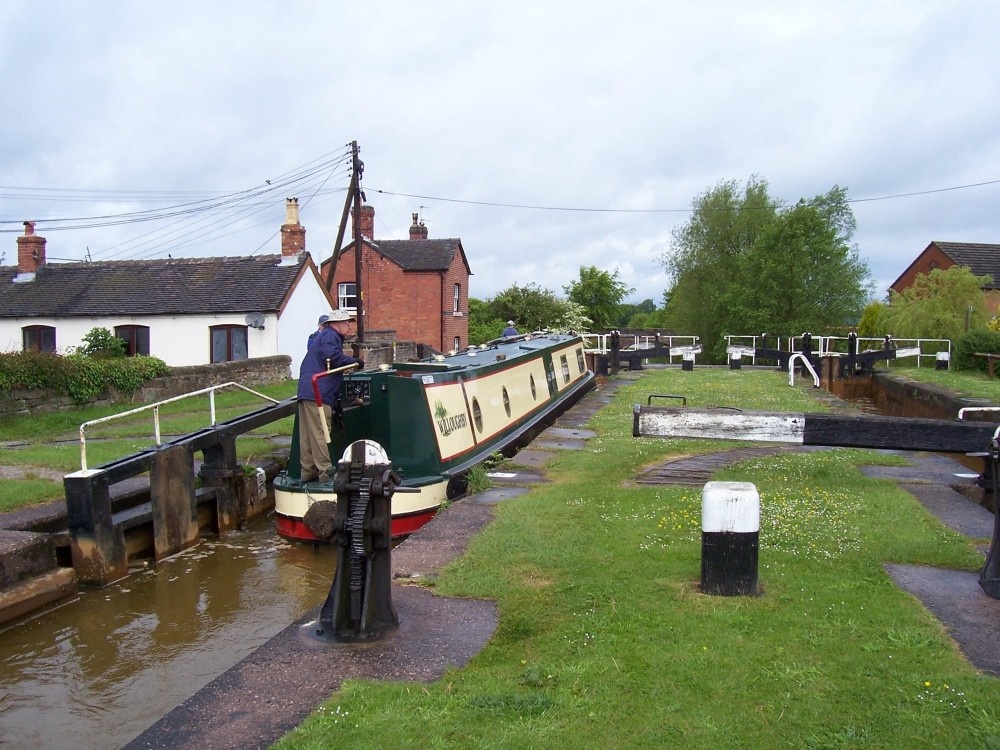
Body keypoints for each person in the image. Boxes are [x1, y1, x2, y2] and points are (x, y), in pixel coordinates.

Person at [295, 310, 363, 483]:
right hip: (318, 391)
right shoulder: (330, 336)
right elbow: (332, 357)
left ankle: (308, 470)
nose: (349, 326)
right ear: (336, 324)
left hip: (307, 389)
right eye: (347, 323)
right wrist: (355, 361)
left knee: (307, 433)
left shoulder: (325, 336)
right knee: (320, 431)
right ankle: (326, 472)